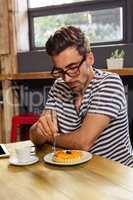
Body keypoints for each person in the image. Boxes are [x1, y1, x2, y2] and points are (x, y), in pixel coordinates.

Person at [30, 26, 133, 167]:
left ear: (90, 58)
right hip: (77, 175)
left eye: (73, 68)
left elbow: (83, 142)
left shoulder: (109, 83)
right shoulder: (59, 86)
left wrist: (51, 138)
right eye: (60, 71)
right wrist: (39, 130)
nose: (66, 79)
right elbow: (36, 135)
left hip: (115, 178)